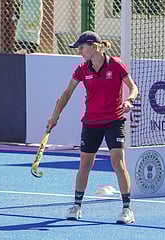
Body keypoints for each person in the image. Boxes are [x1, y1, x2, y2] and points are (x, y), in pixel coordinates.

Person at [46, 31, 139, 224]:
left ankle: (127, 209)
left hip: (114, 120)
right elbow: (67, 93)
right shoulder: (82, 69)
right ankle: (77, 206)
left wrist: (129, 100)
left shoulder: (116, 65)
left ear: (94, 46)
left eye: (82, 47)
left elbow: (133, 87)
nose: (79, 51)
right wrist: (55, 115)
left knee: (117, 162)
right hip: (91, 122)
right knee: (85, 164)